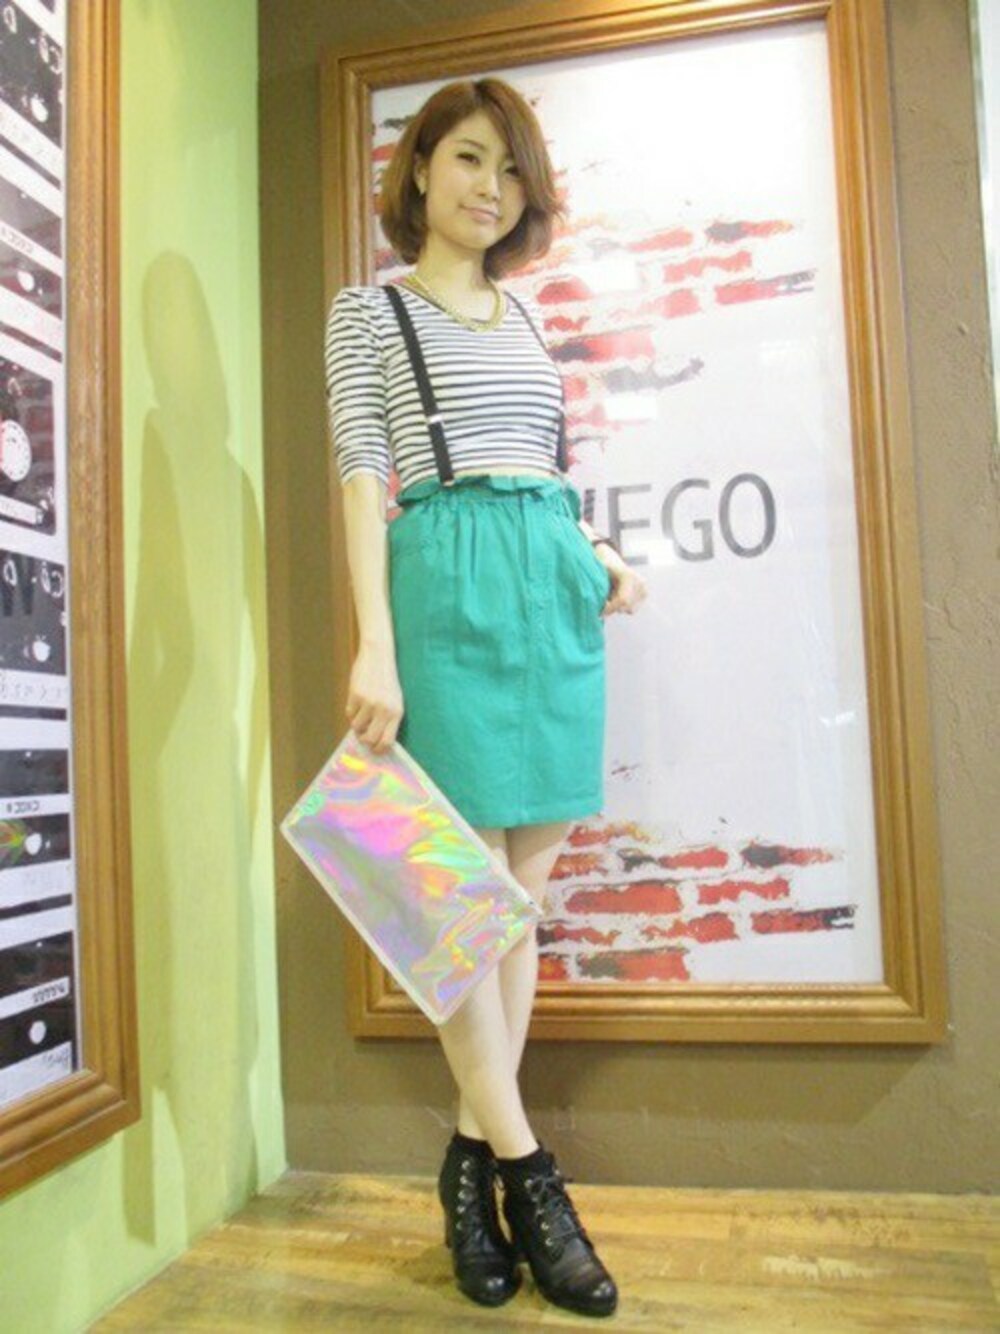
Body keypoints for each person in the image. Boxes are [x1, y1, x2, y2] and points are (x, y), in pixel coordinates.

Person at [324, 76, 647, 1318]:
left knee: (516, 908)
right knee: (463, 908)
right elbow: (364, 475)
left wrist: (596, 549)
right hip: (444, 588)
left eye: (510, 171)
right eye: (468, 158)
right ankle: (528, 1172)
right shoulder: (369, 311)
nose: (489, 188)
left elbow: (545, 467)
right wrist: (374, 645)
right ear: (419, 169)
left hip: (549, 591)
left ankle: (467, 1170)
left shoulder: (524, 317)